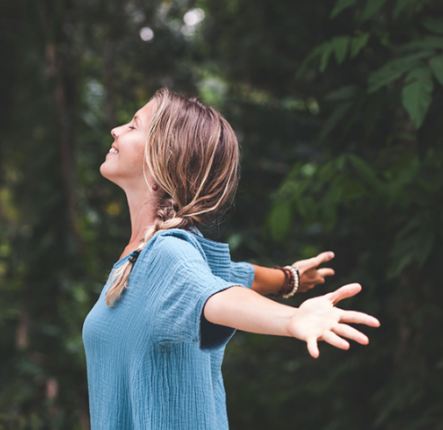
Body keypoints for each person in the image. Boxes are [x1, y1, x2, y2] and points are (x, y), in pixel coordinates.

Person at [82, 88, 380, 429]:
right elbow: (231, 276)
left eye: (134, 126)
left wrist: (292, 320)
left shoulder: (165, 253)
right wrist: (289, 278)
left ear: (160, 159)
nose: (116, 130)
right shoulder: (145, 256)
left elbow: (218, 297)